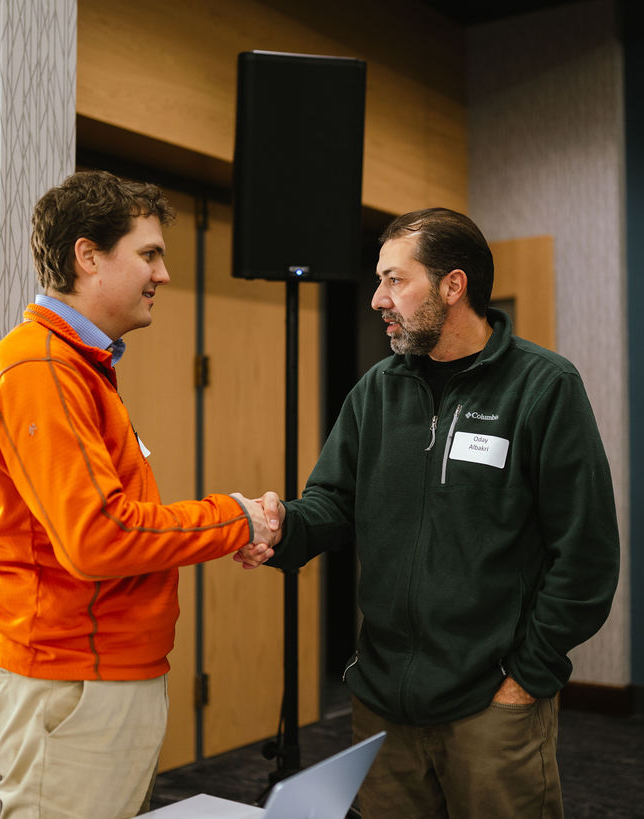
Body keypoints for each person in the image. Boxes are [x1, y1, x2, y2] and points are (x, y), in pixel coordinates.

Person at [257, 207, 620, 818]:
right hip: (381, 701)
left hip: (491, 702)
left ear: (454, 286)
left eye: (395, 280)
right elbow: (333, 502)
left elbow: (585, 553)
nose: (378, 298)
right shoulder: (378, 390)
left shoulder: (543, 387)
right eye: (380, 280)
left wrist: (527, 675)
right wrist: (280, 528)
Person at [0, 170, 278, 819]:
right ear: (87, 255)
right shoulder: (40, 370)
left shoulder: (77, 368)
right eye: (149, 253)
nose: (162, 274)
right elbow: (100, 535)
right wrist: (236, 518)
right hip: (70, 680)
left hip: (97, 677)